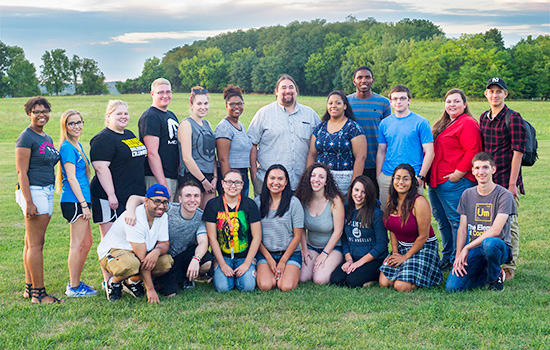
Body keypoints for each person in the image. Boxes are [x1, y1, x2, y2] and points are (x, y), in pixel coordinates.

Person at [124, 181, 213, 297]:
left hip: (183, 254)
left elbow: (202, 242)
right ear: (180, 199)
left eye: (196, 196)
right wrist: (130, 211)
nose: (192, 200)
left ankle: (186, 278)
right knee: (169, 293)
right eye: (188, 196)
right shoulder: (167, 208)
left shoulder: (201, 216)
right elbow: (135, 198)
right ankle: (135, 281)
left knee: (207, 262)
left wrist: (196, 259)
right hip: (163, 257)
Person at [429, 89, 482, 271]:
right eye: (449, 101)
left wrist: (457, 174)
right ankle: (448, 256)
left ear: (464, 104)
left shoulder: (467, 123)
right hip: (436, 182)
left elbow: (473, 151)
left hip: (454, 182)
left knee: (457, 222)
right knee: (442, 220)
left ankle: (461, 259)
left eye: (456, 101)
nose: (452, 104)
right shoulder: (445, 123)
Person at [446, 152, 514, 292]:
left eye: (485, 167)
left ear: (493, 169)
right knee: (453, 287)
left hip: (498, 247)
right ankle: (487, 273)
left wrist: (466, 248)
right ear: (472, 171)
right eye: (477, 168)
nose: (481, 172)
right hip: (475, 248)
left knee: (489, 243)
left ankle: (494, 279)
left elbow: (495, 231)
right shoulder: (467, 194)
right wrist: (459, 254)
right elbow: (462, 228)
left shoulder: (504, 195)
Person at [15, 97, 61, 303]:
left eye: (44, 111)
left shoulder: (46, 138)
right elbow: (21, 172)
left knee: (30, 242)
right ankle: (39, 294)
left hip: (47, 190)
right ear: (29, 114)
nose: (41, 114)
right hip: (34, 191)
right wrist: (29, 202)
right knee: (36, 244)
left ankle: (29, 288)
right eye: (36, 111)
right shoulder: (26, 138)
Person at [480, 77, 526, 281]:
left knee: (510, 223)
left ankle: (509, 266)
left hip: (507, 179)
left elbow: (518, 151)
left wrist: (512, 184)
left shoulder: (513, 117)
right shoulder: (483, 117)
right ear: (486, 94)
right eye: (491, 91)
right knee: (489, 222)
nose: (495, 95)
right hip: (488, 181)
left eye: (499, 91)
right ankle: (491, 263)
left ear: (505, 94)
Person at [97, 184, 174, 303]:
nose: (161, 206)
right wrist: (150, 289)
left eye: (165, 202)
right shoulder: (135, 218)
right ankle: (113, 282)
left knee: (165, 262)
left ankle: (131, 282)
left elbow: (164, 243)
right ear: (146, 201)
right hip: (113, 251)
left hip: (136, 253)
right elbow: (142, 259)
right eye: (157, 201)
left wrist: (156, 251)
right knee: (131, 264)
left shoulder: (163, 216)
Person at [248, 74, 320, 195]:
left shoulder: (310, 115)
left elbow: (319, 145)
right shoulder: (264, 113)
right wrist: (254, 176)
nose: (288, 91)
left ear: (296, 91)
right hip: (268, 183)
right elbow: (252, 144)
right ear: (276, 92)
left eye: (291, 87)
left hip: (301, 184)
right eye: (283, 88)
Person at [379, 164, 443, 292]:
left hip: (423, 247)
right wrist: (396, 252)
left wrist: (405, 257)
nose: (401, 182)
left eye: (405, 178)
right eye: (397, 178)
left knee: (400, 286)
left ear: (412, 181)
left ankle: (428, 275)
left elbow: (423, 236)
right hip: (402, 247)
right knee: (384, 282)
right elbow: (391, 227)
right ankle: (406, 270)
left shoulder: (419, 202)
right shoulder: (391, 198)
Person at [90, 100, 147, 237]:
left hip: (131, 196)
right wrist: (111, 194)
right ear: (109, 116)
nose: (123, 116)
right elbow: (101, 168)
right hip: (110, 198)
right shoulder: (103, 139)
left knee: (129, 237)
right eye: (119, 113)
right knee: (111, 239)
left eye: (126, 113)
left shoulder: (128, 134)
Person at [56, 109, 96, 297]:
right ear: (65, 126)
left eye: (79, 122)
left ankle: (77, 281)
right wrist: (83, 204)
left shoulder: (76, 145)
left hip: (81, 200)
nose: (76, 126)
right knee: (77, 244)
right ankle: (73, 287)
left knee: (87, 242)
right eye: (71, 123)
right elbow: (71, 178)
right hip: (74, 201)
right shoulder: (66, 147)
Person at [204, 169, 262, 292]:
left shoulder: (250, 205)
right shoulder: (213, 205)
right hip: (223, 256)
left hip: (245, 256)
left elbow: (257, 237)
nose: (233, 186)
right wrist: (222, 264)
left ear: (242, 185)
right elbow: (212, 238)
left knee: (247, 287)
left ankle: (247, 271)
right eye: (229, 182)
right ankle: (220, 269)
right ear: (222, 183)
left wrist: (247, 263)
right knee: (223, 288)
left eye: (237, 182)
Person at [376, 84, 434, 208]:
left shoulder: (421, 123)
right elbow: (381, 151)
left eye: (402, 98)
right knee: (385, 216)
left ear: (409, 100)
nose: (399, 102)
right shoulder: (384, 124)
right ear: (390, 102)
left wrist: (421, 176)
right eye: (395, 99)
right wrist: (379, 176)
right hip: (387, 176)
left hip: (412, 177)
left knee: (412, 217)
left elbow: (429, 152)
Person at [330, 176, 388, 288]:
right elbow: (344, 238)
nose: (359, 195)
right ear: (351, 190)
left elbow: (382, 244)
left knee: (353, 282)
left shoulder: (376, 214)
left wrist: (359, 263)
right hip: (353, 256)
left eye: (363, 192)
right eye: (356, 190)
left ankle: (375, 278)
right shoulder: (346, 210)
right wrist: (349, 260)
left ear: (369, 194)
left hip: (373, 259)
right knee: (336, 280)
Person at [255, 164, 304, 292]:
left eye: (280, 179)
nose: (276, 182)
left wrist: (283, 261)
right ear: (266, 180)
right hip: (266, 254)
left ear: (286, 182)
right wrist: (269, 259)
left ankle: (287, 271)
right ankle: (271, 272)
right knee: (265, 285)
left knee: (285, 286)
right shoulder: (257, 202)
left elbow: (297, 236)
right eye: (272, 178)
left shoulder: (294, 203)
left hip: (290, 254)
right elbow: (255, 237)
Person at [307, 91, 366, 195]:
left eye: (338, 103)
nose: (333, 106)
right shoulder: (320, 128)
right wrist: (308, 179)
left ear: (345, 106)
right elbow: (312, 154)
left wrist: (354, 185)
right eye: (330, 103)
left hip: (344, 182)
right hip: (320, 181)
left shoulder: (353, 128)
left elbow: (360, 157)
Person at [295, 163, 345, 284]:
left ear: (326, 182)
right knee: (302, 277)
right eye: (313, 176)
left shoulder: (335, 200)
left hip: (333, 248)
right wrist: (304, 249)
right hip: (311, 246)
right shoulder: (303, 199)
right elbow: (300, 228)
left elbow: (338, 232)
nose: (316, 180)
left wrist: (324, 254)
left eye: (321, 177)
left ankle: (338, 264)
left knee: (319, 279)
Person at [347, 66, 391, 196]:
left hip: (375, 163)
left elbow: (388, 134)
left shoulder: (383, 103)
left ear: (372, 80)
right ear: (354, 81)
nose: (363, 80)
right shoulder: (346, 102)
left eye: (367, 77)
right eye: (360, 77)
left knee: (375, 202)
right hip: (351, 163)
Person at [139, 78, 179, 201]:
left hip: (173, 175)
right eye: (160, 92)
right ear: (152, 94)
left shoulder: (171, 115)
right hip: (158, 177)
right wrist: (163, 184)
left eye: (168, 92)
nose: (165, 96)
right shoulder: (150, 116)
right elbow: (152, 153)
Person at [178, 86, 217, 209]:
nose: (203, 107)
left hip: (209, 177)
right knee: (194, 215)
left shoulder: (207, 124)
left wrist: (214, 177)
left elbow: (212, 155)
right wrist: (203, 181)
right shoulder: (186, 124)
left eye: (205, 103)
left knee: (209, 215)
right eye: (199, 103)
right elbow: (187, 158)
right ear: (191, 105)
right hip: (192, 177)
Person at [215, 85, 253, 196]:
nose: (237, 107)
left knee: (241, 212)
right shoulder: (224, 127)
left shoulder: (240, 125)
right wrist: (230, 183)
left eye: (240, 104)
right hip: (231, 178)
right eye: (232, 104)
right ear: (226, 106)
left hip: (242, 175)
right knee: (231, 211)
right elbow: (222, 159)